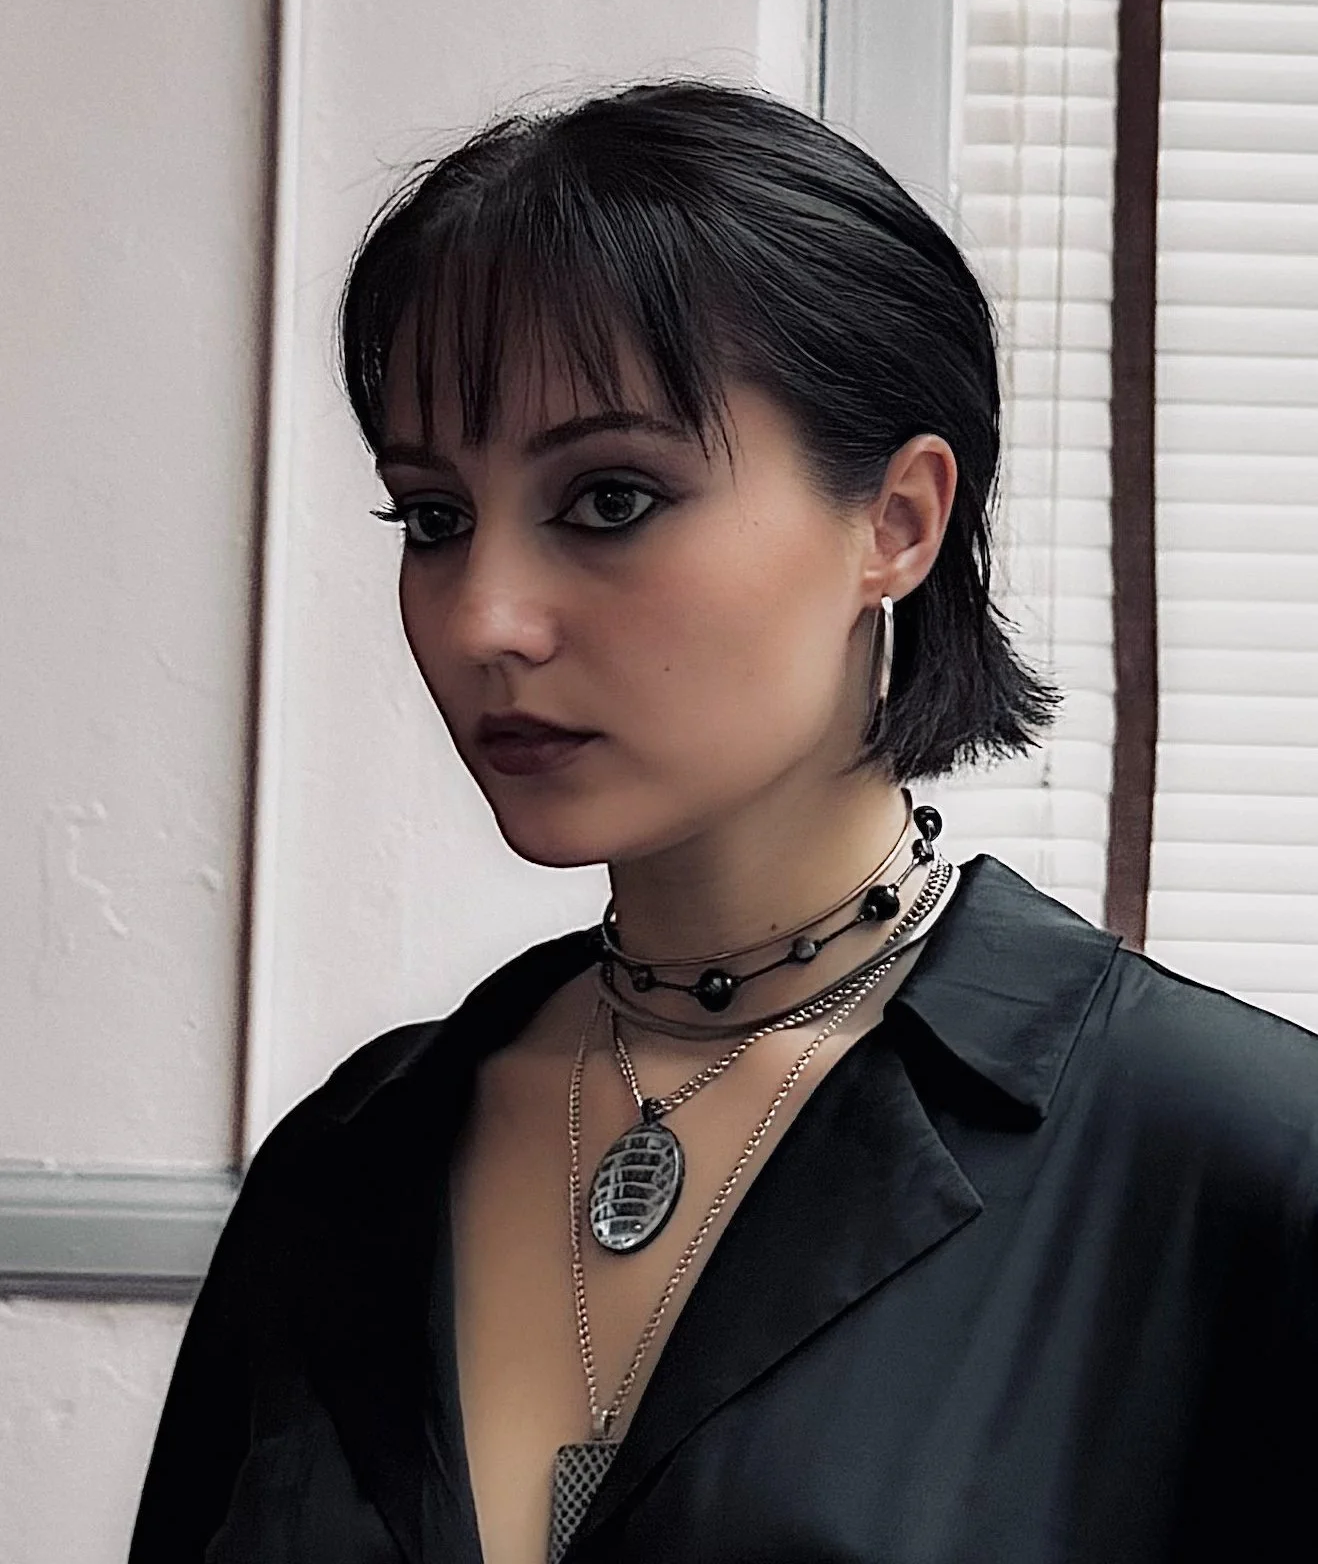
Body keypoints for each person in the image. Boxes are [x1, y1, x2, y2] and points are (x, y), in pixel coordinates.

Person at [128, 78, 1318, 1564]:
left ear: (896, 522)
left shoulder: (1232, 1161)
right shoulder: (350, 1163)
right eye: (434, 517)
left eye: (610, 500)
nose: (485, 619)